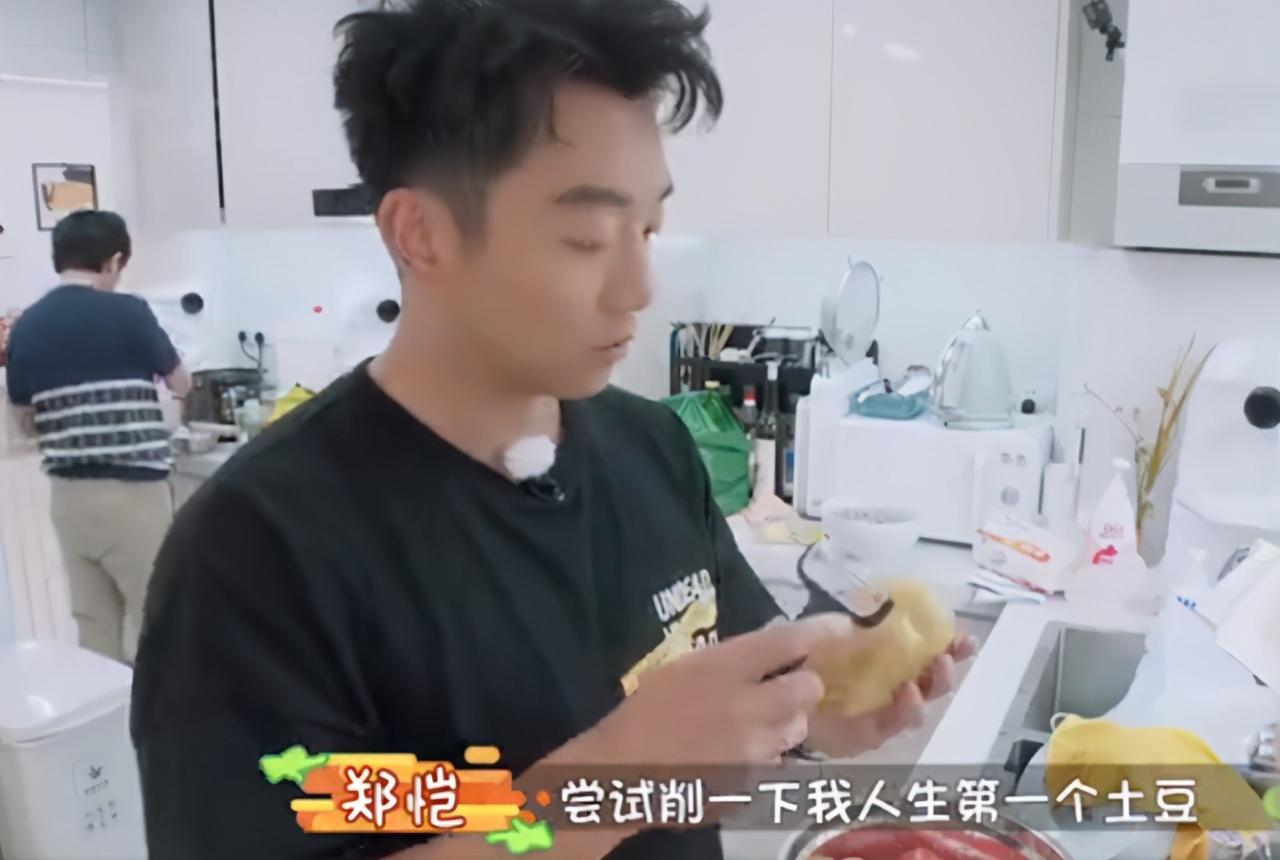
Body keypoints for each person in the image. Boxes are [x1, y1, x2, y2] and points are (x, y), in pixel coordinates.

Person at [130, 2, 974, 858]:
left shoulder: (653, 449)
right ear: (419, 233)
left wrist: (826, 705)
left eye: (648, 229)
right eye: (588, 237)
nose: (639, 287)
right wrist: (618, 777)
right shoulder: (256, 553)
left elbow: (734, 698)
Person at [4, 210, 191, 663]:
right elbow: (182, 384)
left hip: (69, 498)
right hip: (132, 493)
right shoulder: (129, 312)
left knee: (94, 625)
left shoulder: (27, 325)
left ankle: (106, 707)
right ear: (113, 261)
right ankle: (153, 710)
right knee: (152, 620)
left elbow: (23, 415)